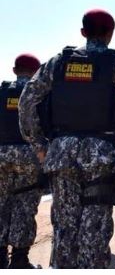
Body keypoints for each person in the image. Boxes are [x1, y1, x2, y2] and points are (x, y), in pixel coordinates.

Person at [18, 9, 115, 268]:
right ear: (111, 33)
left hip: (61, 154)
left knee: (64, 230)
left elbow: (26, 102)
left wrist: (40, 146)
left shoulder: (58, 62)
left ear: (82, 32)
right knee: (94, 232)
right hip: (101, 156)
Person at [0, 54, 42, 269]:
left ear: (15, 70)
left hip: (1, 157)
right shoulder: (39, 94)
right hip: (29, 158)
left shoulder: (2, 91)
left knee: (1, 205)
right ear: (36, 72)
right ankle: (19, 260)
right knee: (24, 207)